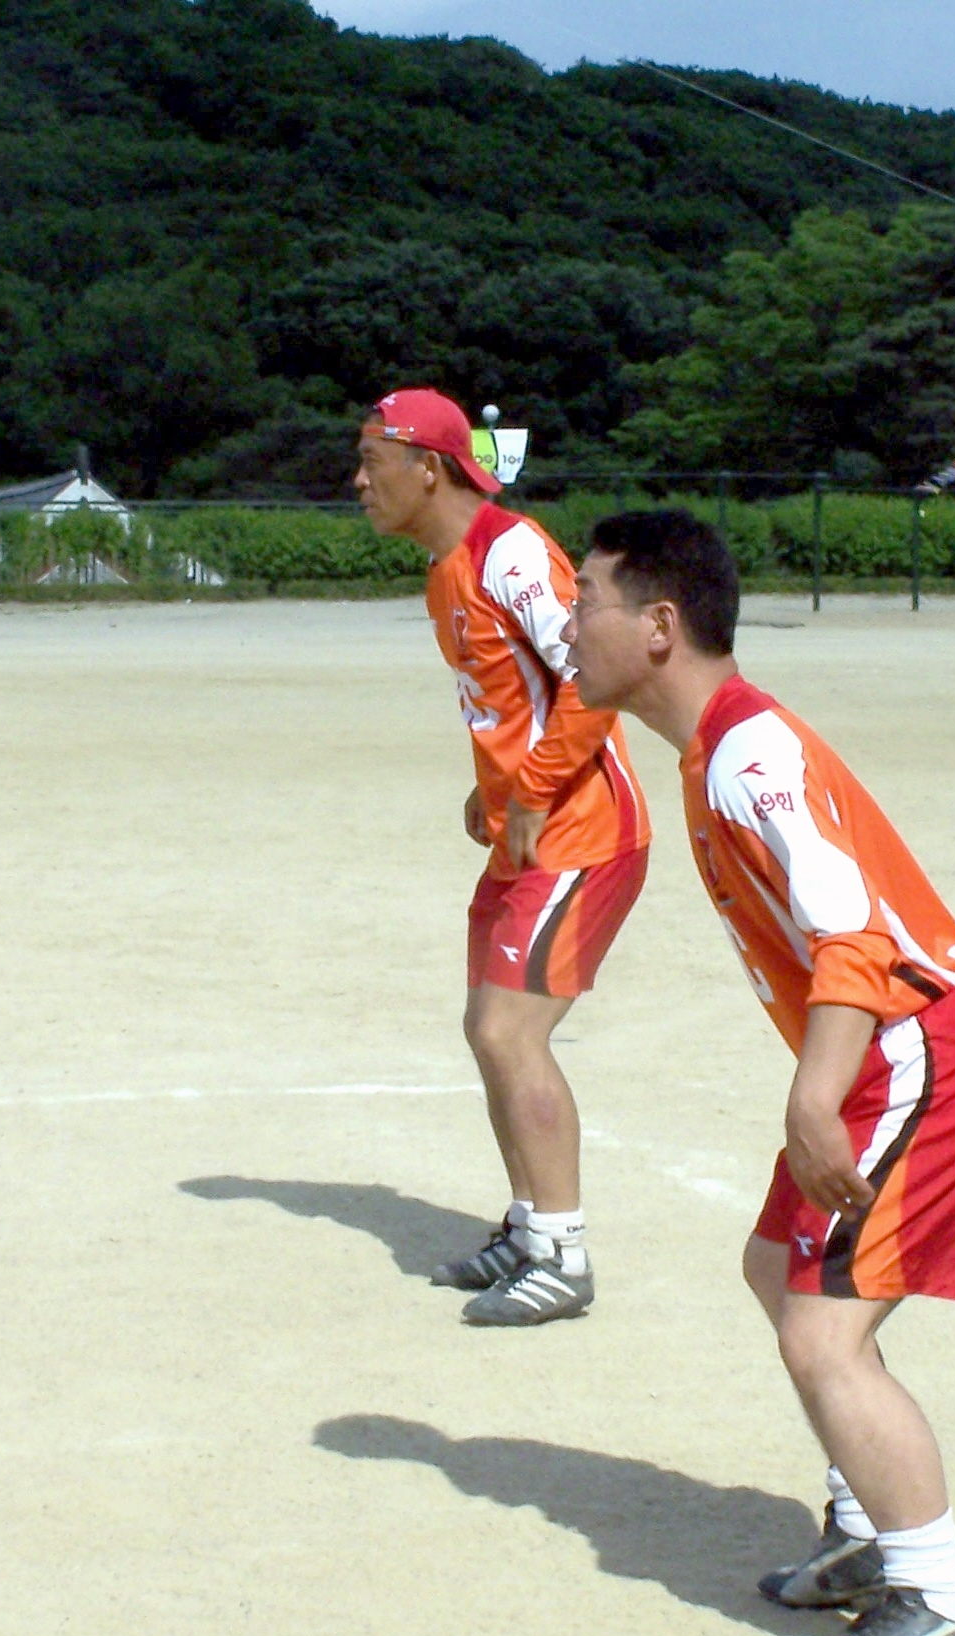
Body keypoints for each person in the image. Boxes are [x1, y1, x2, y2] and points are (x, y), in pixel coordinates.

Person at [561, 510, 955, 1636]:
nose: (567, 627)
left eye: (585, 601)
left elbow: (853, 933)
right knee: (777, 1270)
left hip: (919, 1047)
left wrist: (812, 1098)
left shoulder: (747, 754)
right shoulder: (710, 748)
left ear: (659, 627)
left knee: (825, 1334)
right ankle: (868, 1530)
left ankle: (930, 1602)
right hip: (881, 1046)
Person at [354, 389, 650, 1325]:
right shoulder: (445, 570)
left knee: (507, 1032)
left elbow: (595, 677)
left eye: (371, 461)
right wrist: (490, 794)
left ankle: (562, 1253)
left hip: (582, 831)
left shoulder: (509, 551)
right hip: (526, 834)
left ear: (427, 468)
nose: (357, 481)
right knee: (488, 1029)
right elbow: (509, 703)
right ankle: (528, 1232)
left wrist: (530, 789)